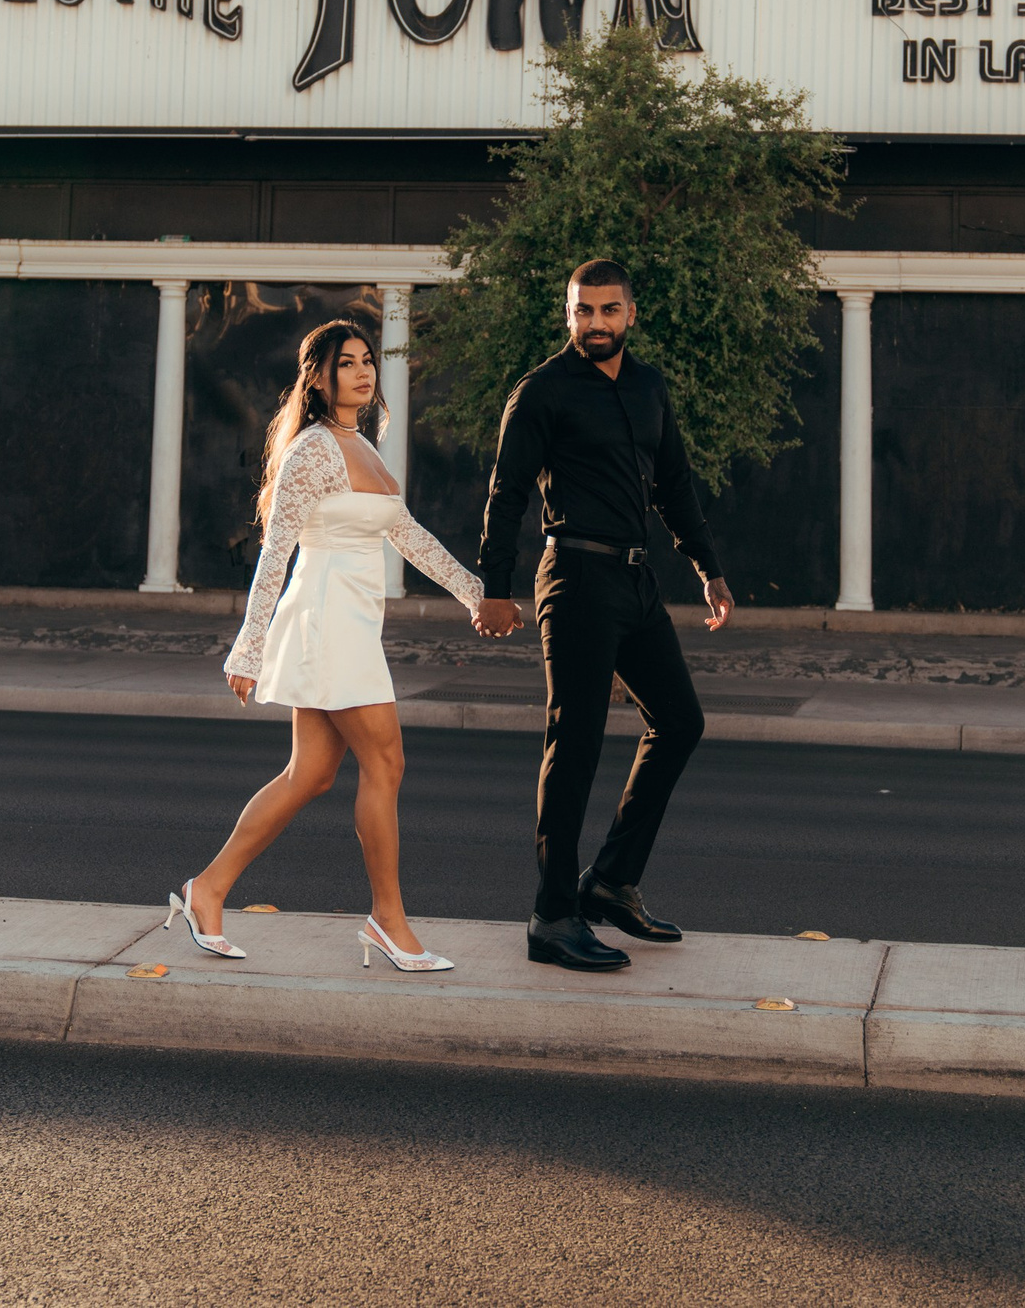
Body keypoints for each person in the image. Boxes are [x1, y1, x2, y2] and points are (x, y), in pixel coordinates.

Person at [166, 319, 498, 973]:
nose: (363, 371)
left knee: (311, 774)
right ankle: (387, 920)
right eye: (347, 363)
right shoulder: (312, 450)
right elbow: (276, 551)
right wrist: (248, 647)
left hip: (353, 620)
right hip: (325, 620)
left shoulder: (364, 445)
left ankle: (206, 889)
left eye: (368, 360)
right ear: (319, 376)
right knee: (386, 759)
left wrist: (473, 593)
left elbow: (408, 534)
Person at [474, 260, 733, 972]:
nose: (595, 322)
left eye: (608, 310)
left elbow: (674, 484)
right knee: (576, 743)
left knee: (680, 721)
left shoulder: (650, 388)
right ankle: (552, 916)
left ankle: (612, 881)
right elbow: (507, 493)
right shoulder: (542, 391)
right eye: (583, 311)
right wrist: (494, 588)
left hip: (635, 578)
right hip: (575, 576)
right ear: (568, 314)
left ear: (631, 313)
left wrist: (708, 568)